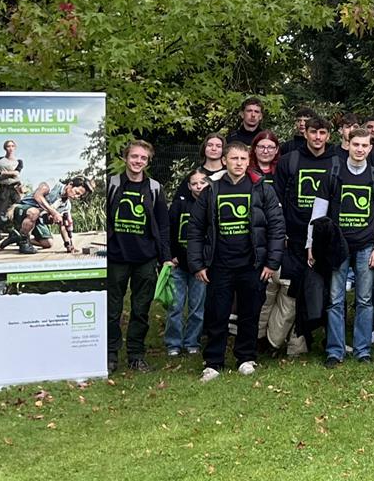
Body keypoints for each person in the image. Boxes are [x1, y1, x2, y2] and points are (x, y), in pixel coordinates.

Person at [190, 142, 285, 380]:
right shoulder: (211, 190)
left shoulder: (261, 187)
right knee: (217, 314)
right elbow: (195, 229)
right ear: (224, 161)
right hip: (219, 265)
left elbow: (276, 225)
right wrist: (198, 264)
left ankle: (246, 357)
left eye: (243, 159)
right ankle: (213, 362)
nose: (239, 163)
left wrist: (272, 263)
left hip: (252, 264)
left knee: (250, 313)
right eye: (234, 159)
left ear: (248, 160)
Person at [310, 128, 374, 365]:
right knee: (335, 299)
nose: (360, 149)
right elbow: (318, 213)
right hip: (338, 246)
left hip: (367, 245)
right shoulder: (333, 173)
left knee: (365, 299)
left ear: (370, 148)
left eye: (365, 145)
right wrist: (310, 244)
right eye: (355, 144)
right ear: (347, 144)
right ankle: (335, 351)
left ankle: (362, 350)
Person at [271, 115, 336, 359]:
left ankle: (331, 340)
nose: (317, 137)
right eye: (313, 132)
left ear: (329, 136)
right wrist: (282, 232)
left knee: (329, 290)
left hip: (327, 238)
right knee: (295, 288)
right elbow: (276, 200)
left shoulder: (337, 161)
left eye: (322, 133)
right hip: (295, 236)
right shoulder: (290, 160)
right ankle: (297, 339)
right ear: (305, 133)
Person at [105, 139, 170, 373]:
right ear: (125, 158)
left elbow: (163, 225)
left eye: (143, 158)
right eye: (134, 156)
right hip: (116, 257)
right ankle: (110, 355)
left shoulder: (154, 188)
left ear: (148, 161)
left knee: (141, 310)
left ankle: (135, 355)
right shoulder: (111, 185)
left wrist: (165, 257)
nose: (138, 161)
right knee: (112, 309)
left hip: (146, 258)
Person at [164, 169, 211, 359]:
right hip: (178, 265)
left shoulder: (211, 205)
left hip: (200, 267)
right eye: (194, 183)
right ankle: (173, 343)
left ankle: (192, 342)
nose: (199, 186)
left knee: (197, 307)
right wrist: (171, 256)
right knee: (175, 307)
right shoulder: (178, 206)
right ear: (189, 186)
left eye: (202, 182)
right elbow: (169, 232)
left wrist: (206, 262)